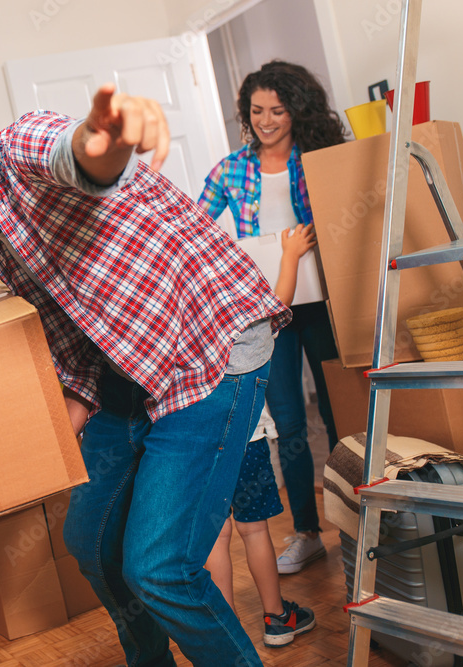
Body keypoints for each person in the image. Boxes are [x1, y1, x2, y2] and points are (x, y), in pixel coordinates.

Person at [0, 70, 290, 667]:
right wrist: (64, 414)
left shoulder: (22, 147)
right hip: (134, 372)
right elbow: (72, 330)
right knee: (91, 542)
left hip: (210, 347)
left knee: (160, 568)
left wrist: (111, 133)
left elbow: (84, 157)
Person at [197, 60, 346, 575]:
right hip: (270, 311)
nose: (266, 120)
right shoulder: (231, 170)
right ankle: (307, 533)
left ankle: (355, 524)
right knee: (289, 421)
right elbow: (197, 229)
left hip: (325, 302)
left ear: (295, 110)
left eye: (277, 110)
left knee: (338, 415)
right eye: (256, 111)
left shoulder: (319, 160)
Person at [204, 222, 319, 647]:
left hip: (199, 441)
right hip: (246, 439)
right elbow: (280, 302)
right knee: (255, 531)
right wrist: (289, 255)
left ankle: (228, 631)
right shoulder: (241, 314)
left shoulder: (182, 322)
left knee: (216, 534)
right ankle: (277, 619)